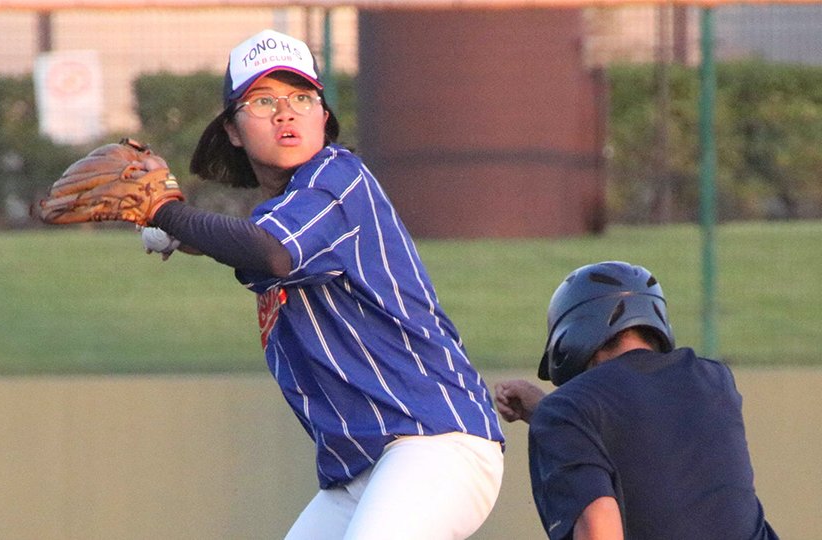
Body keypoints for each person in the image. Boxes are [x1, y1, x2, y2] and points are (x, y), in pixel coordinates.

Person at [142, 29, 505, 539]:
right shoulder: (284, 211)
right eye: (263, 100)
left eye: (301, 98)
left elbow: (272, 252)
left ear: (323, 117)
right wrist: (186, 234)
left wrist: (167, 214)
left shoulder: (339, 178)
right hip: (361, 473)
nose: (285, 113)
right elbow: (258, 237)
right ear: (233, 129)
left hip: (435, 443)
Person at [493, 261, 778, 540]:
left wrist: (552, 415)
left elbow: (599, 530)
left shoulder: (566, 412)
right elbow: (648, 436)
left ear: (573, 332)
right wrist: (547, 411)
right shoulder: (714, 380)